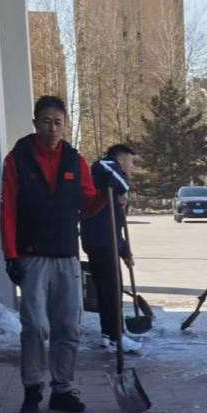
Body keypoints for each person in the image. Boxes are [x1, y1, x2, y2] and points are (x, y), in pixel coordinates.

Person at [1, 95, 111, 413]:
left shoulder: (76, 162)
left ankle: (63, 389)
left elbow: (86, 205)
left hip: (66, 255)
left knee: (68, 325)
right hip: (32, 255)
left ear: (65, 125)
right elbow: (8, 210)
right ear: (35, 123)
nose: (52, 128)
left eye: (58, 122)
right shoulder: (17, 160)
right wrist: (10, 254)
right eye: (46, 122)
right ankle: (32, 387)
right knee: (35, 325)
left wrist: (105, 194)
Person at [82, 143, 143, 354]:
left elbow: (116, 226)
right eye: (131, 162)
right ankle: (117, 337)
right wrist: (124, 189)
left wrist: (125, 252)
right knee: (112, 290)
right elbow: (106, 171)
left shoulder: (110, 186)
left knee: (107, 290)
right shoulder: (106, 166)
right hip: (101, 242)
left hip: (105, 240)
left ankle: (108, 334)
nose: (132, 167)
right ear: (120, 158)